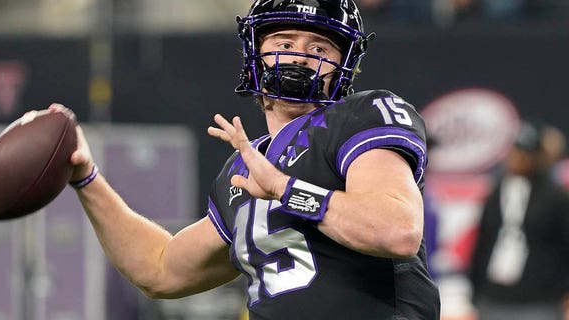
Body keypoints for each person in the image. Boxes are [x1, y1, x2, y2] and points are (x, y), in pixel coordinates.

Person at [45, 0, 441, 318]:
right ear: (256, 54)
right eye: (284, 43)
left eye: (318, 47)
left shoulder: (361, 117)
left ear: (343, 65)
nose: (300, 56)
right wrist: (86, 177)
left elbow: (396, 230)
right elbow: (160, 269)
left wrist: (286, 189)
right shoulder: (242, 170)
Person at [468, 120, 569, 320]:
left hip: (540, 300)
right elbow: (483, 240)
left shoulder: (557, 197)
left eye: (526, 154)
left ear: (538, 157)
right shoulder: (496, 192)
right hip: (493, 296)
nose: (518, 158)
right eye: (515, 152)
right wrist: (475, 286)